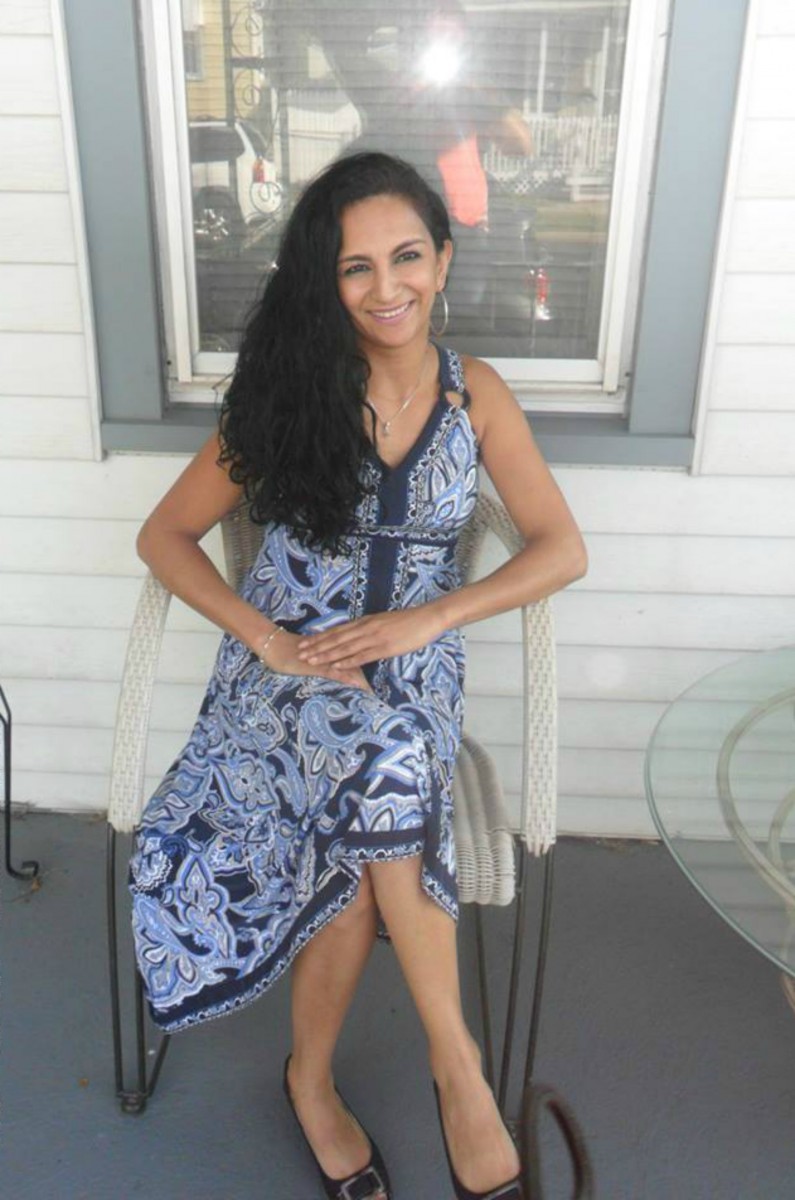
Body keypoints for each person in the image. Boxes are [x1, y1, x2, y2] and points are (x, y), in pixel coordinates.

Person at [128, 151, 586, 1200]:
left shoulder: (475, 396)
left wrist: (431, 615)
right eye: (355, 267)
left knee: (368, 806)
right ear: (324, 281)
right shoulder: (288, 394)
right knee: (382, 775)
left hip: (414, 672)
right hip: (285, 677)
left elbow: (561, 548)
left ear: (444, 261)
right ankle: (457, 1069)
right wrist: (267, 639)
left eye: (407, 257)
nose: (387, 287)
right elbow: (164, 536)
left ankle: (312, 1080)